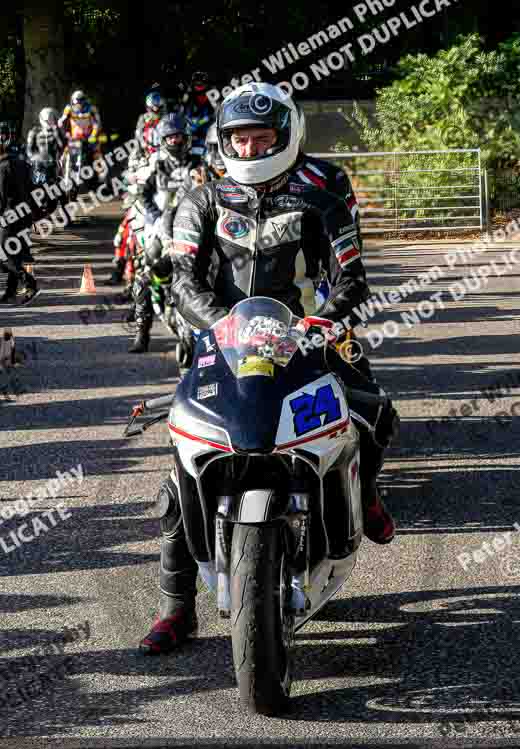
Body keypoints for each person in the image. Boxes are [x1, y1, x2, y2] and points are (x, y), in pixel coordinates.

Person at [139, 82, 399, 655]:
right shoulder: (200, 199)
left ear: (285, 137)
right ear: (223, 140)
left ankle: (367, 495)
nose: (250, 149)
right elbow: (183, 282)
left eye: (261, 138)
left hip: (307, 335)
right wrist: (220, 326)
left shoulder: (324, 194)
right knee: (181, 463)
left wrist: (321, 322)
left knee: (374, 411)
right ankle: (175, 609)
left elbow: (352, 279)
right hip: (223, 342)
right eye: (240, 139)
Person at [128, 112, 197, 354]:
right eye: (170, 137)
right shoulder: (155, 164)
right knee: (145, 274)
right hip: (161, 228)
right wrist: (156, 217)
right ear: (163, 140)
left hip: (193, 226)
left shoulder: (199, 162)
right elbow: (141, 194)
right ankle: (142, 333)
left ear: (187, 137)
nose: (175, 141)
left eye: (179, 136)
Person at [0, 121, 39, 305]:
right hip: (25, 215)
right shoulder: (23, 163)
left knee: (4, 255)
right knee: (13, 254)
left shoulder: (2, 168)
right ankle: (10, 292)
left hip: (9, 216)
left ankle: (29, 284)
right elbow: (34, 190)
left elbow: (1, 198)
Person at [58, 89, 102, 170]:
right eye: (75, 103)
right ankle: (60, 171)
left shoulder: (92, 109)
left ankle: (100, 172)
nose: (77, 105)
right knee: (64, 152)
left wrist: (93, 135)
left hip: (89, 136)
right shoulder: (68, 108)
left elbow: (97, 123)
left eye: (80, 102)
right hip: (75, 137)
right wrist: (64, 130)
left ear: (84, 101)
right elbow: (62, 120)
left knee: (96, 151)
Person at [181, 71, 216, 162]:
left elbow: (217, 108)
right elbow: (185, 113)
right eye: (197, 83)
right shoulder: (189, 95)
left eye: (202, 83)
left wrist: (210, 118)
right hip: (195, 126)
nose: (199, 85)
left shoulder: (213, 92)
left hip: (210, 125)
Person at [134, 91, 167, 158]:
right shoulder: (144, 117)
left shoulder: (165, 113)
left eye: (159, 100)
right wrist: (142, 149)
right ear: (150, 105)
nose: (159, 103)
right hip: (152, 147)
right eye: (156, 101)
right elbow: (138, 134)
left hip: (167, 143)